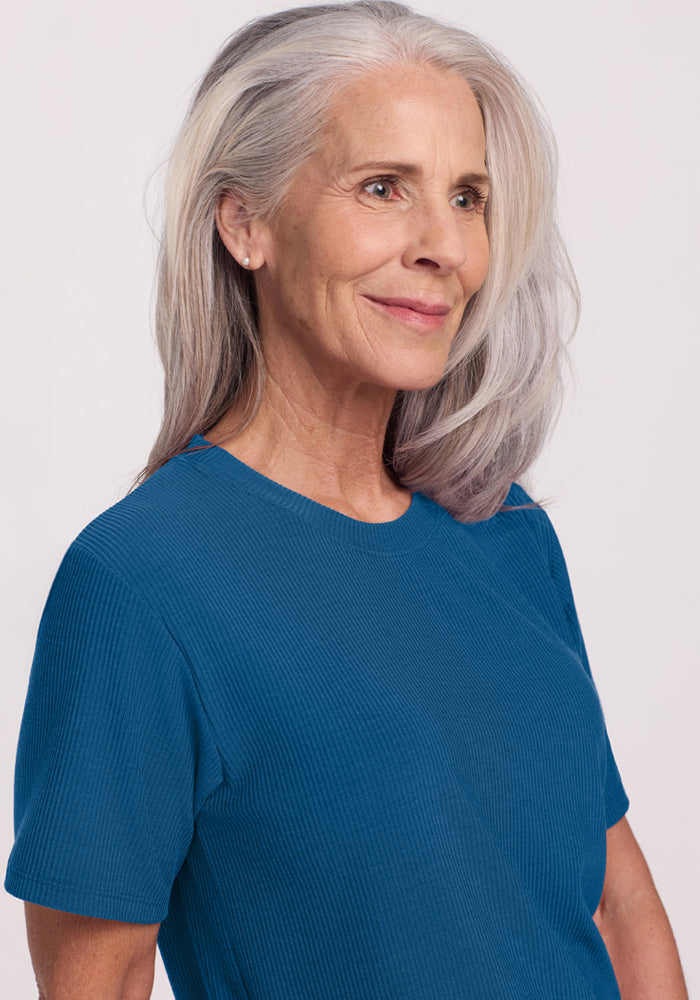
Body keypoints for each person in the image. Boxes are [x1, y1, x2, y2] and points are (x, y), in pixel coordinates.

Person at [5, 2, 688, 998]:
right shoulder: (140, 584)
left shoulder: (504, 529)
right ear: (245, 223)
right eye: (383, 187)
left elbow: (616, 907)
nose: (443, 246)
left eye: (467, 197)